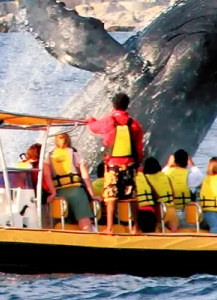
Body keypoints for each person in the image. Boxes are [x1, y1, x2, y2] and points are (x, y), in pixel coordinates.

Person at [86, 92, 143, 235]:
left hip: (113, 165)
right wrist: (137, 163)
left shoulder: (108, 121)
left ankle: (110, 228)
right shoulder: (134, 123)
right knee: (132, 196)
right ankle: (136, 227)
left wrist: (90, 120)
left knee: (111, 196)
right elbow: (138, 147)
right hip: (129, 164)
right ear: (127, 105)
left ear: (113, 105)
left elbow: (93, 127)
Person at [45, 132, 96, 232]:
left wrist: (53, 192)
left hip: (59, 192)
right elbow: (85, 176)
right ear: (69, 140)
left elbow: (47, 175)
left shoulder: (49, 156)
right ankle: (88, 235)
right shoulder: (74, 154)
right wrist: (92, 195)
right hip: (76, 192)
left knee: (61, 219)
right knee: (84, 220)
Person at [144, 157, 179, 232]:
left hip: (158, 211)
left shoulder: (145, 178)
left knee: (157, 229)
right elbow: (173, 195)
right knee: (172, 228)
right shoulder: (165, 177)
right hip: (171, 210)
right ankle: (173, 227)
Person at [163, 149, 194, 219]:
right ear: (187, 162)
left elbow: (158, 177)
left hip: (171, 210)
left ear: (174, 161)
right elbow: (200, 178)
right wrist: (192, 165)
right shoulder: (190, 175)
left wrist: (168, 165)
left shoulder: (166, 174)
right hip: (186, 211)